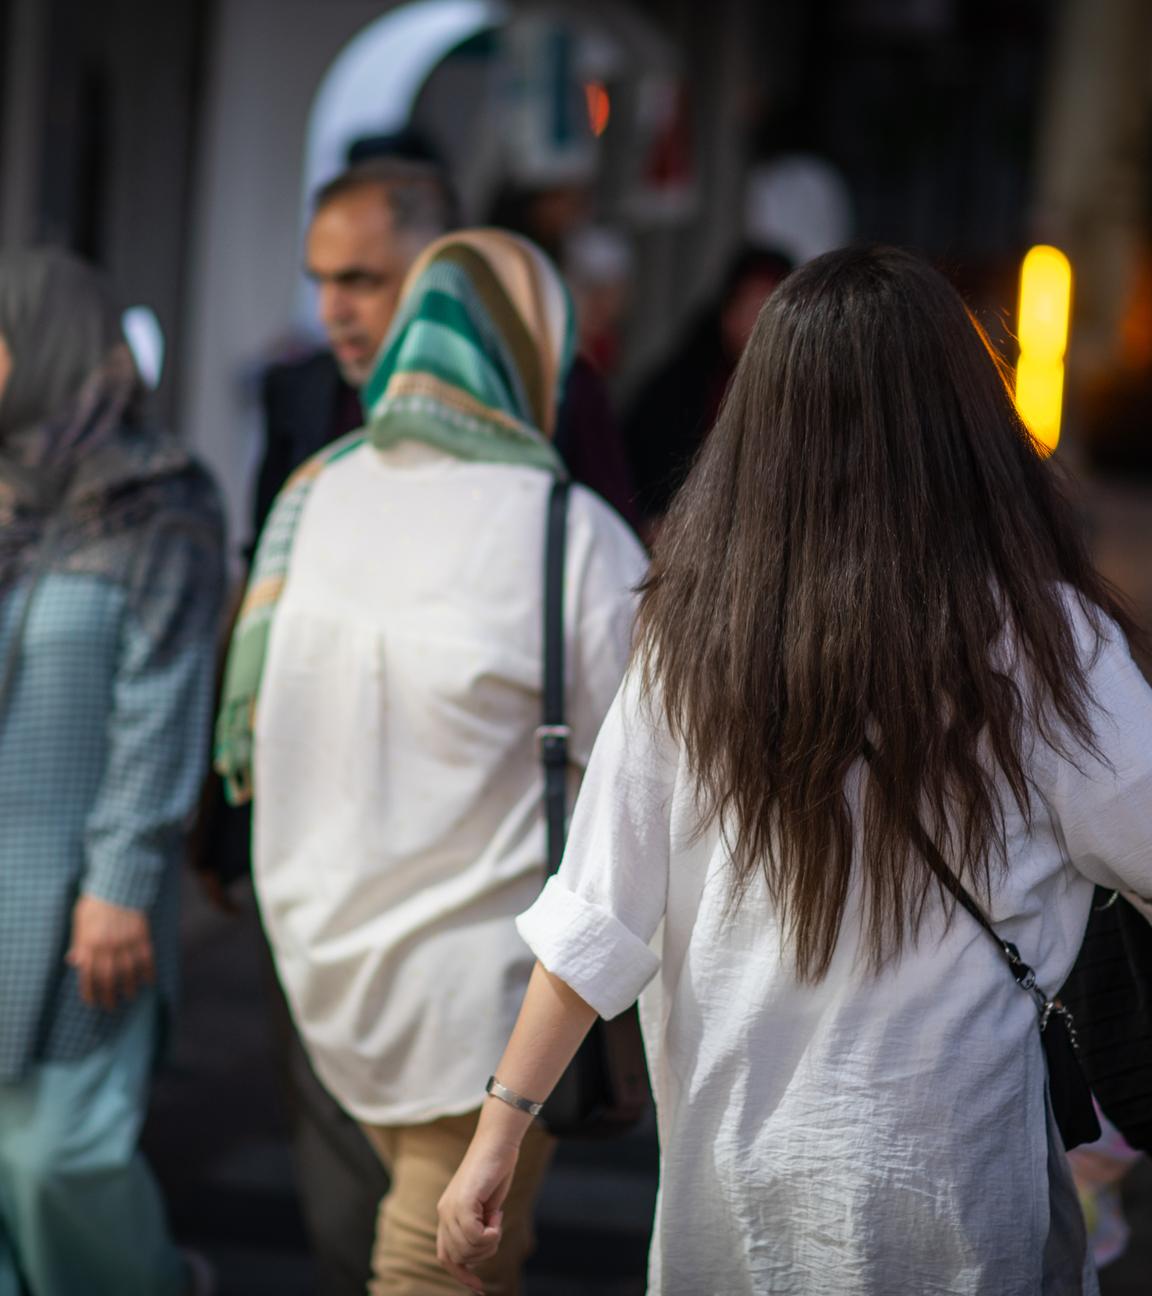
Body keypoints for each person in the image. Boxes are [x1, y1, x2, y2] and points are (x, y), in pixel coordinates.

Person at [438, 245, 1152, 1295]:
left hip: (740, 1197)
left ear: (761, 425)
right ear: (966, 421)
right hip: (958, 1191)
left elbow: (598, 915)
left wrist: (495, 1132)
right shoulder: (1049, 644)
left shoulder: (690, 641)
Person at [215, 229, 647, 1295]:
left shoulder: (312, 494)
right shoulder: (572, 532)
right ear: (536, 352)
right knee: (443, 1267)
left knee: (447, 1257)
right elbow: (655, 772)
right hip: (487, 1001)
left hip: (320, 958)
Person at [0, 250, 225, 1295]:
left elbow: (165, 696)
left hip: (77, 900)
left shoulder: (159, 500)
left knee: (59, 1161)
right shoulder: (9, 491)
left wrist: (123, 886)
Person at [623, 245, 793, 529]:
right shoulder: (678, 391)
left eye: (770, 314)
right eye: (750, 309)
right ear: (727, 314)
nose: (758, 328)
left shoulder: (806, 398)